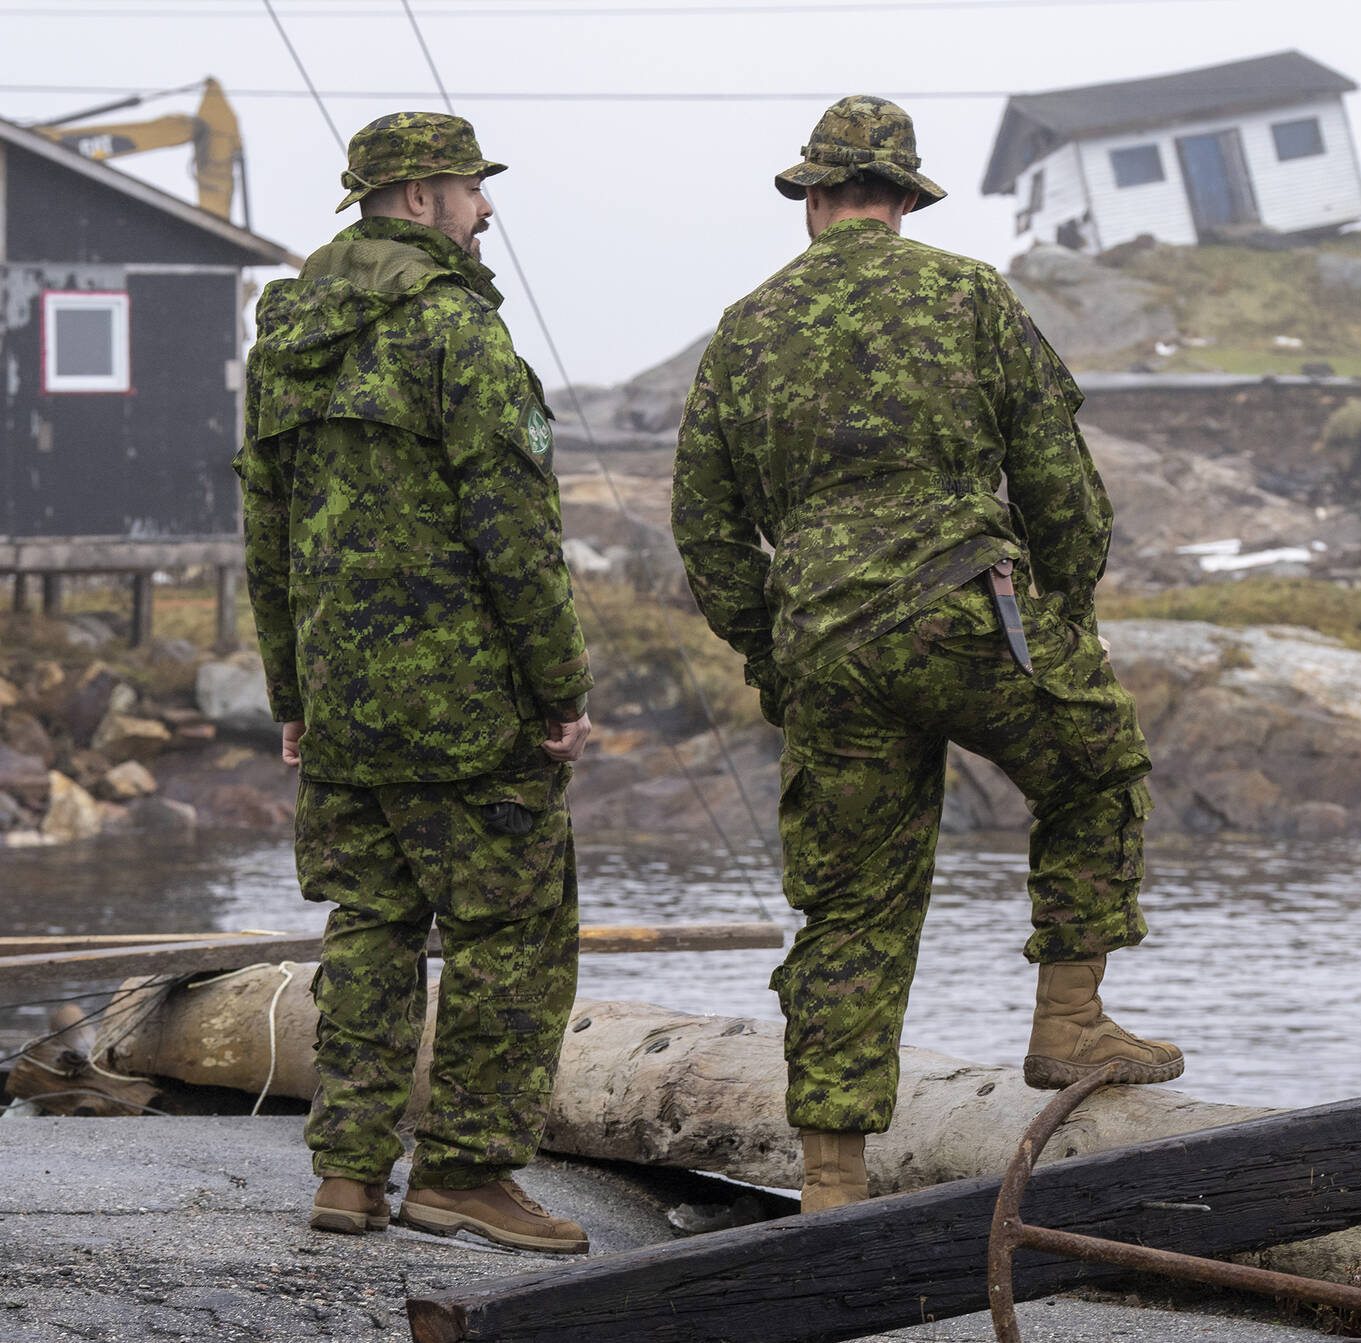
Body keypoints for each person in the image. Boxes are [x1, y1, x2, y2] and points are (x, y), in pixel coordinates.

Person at [672, 96, 1182, 1214]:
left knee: (853, 905)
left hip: (823, 644)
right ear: (902, 199)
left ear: (812, 200)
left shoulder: (744, 328)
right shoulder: (966, 294)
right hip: (965, 606)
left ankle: (831, 1183)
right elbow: (1059, 486)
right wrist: (1066, 621)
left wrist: (774, 655)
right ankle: (1068, 1022)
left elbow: (706, 531)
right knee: (1094, 768)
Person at [237, 112, 595, 1253]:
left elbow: (266, 535)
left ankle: (347, 1174)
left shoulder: (284, 343)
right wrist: (558, 687)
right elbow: (514, 534)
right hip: (466, 707)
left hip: (344, 702)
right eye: (469, 190)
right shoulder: (457, 332)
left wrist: (291, 695)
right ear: (420, 196)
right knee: (514, 934)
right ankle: (463, 1176)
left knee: (373, 924)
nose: (485, 210)